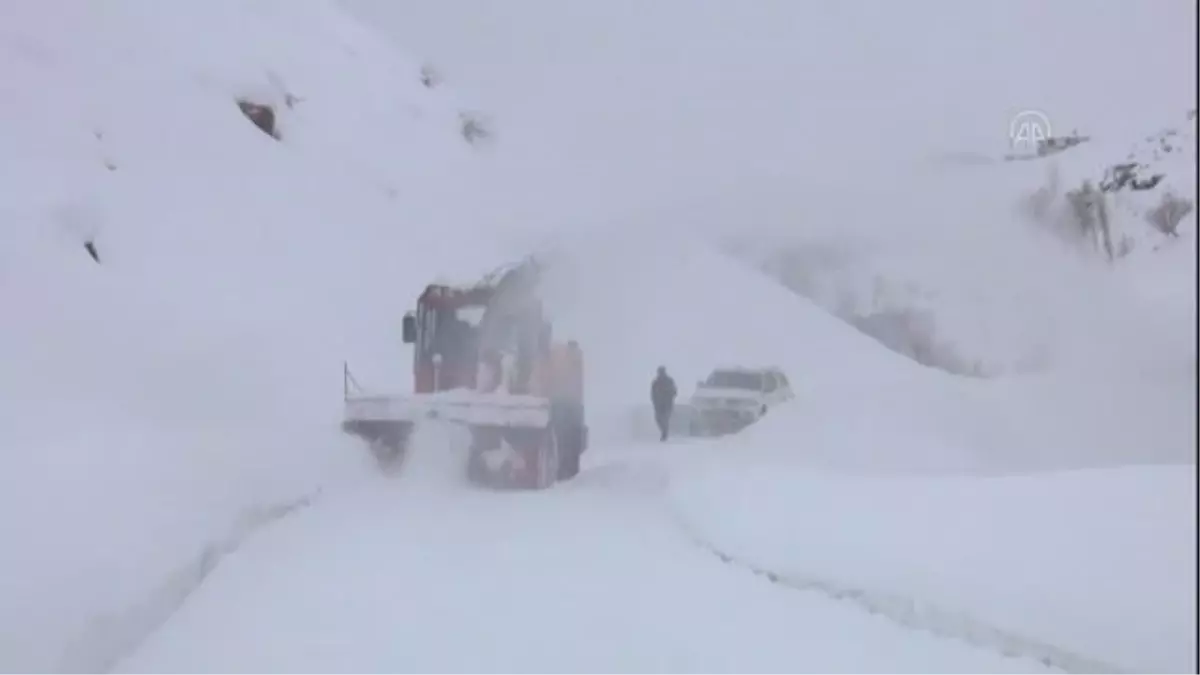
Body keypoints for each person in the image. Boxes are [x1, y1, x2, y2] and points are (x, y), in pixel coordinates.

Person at [650, 366, 677, 442]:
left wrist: (669, 396)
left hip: (667, 405)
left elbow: (674, 391)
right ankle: (664, 432)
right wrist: (654, 402)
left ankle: (664, 434)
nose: (660, 373)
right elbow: (652, 394)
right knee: (658, 419)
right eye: (659, 372)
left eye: (661, 371)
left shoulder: (669, 381)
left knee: (665, 419)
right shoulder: (655, 382)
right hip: (658, 405)